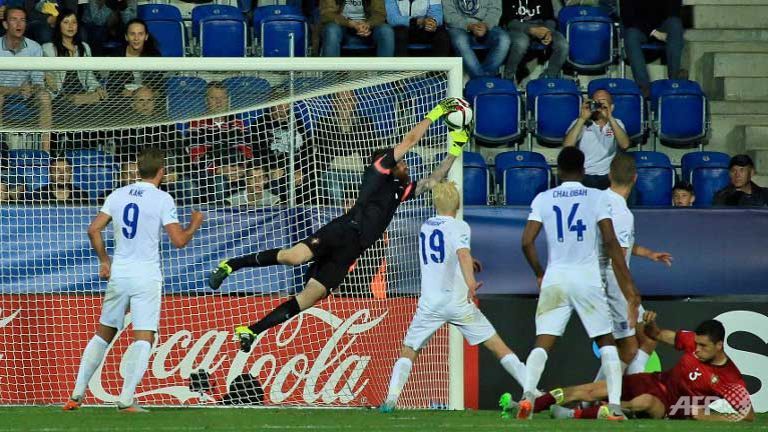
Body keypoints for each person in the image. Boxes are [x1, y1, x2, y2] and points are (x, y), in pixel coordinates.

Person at [207, 98, 470, 353]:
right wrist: (436, 113)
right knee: (293, 257)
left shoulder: (400, 189)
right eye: (401, 162)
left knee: (309, 298)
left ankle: (252, 330)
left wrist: (455, 150)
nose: (406, 164)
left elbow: (433, 181)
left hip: (352, 251)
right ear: (388, 163)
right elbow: (410, 140)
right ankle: (231, 264)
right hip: (343, 230)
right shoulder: (379, 168)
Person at [62, 148, 204, 413]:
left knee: (103, 333)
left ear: (138, 171)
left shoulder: (118, 194)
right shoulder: (163, 199)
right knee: (144, 336)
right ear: (162, 172)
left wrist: (105, 260)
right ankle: (126, 399)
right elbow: (179, 240)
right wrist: (195, 223)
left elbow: (93, 229)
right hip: (146, 275)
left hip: (121, 273)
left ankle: (76, 394)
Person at [379, 181, 527, 412]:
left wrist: (467, 262)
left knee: (409, 350)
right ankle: (533, 392)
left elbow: (446, 255)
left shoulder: (427, 225)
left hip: (430, 303)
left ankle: (391, 399)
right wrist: (470, 282)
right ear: (457, 203)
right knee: (498, 347)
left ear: (435, 203)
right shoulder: (460, 226)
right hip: (458, 302)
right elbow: (462, 254)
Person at [517, 147, 640, 420]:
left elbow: (526, 242)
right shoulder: (596, 197)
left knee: (543, 341)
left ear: (558, 171)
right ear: (583, 170)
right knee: (606, 339)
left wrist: (539, 271)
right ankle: (615, 405)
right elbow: (610, 241)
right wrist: (630, 289)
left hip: (556, 276)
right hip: (586, 277)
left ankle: (527, 396)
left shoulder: (543, 198)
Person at [524, 311, 755, 422]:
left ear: (719, 345)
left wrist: (706, 416)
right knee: (594, 388)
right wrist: (650, 324)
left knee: (643, 402)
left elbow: (748, 416)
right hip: (655, 381)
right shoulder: (690, 342)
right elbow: (656, 334)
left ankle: (573, 414)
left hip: (671, 407)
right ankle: (530, 406)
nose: (696, 349)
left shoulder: (730, 378)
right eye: (696, 344)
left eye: (703, 346)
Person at [593, 154, 672, 382]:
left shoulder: (599, 200)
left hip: (605, 281)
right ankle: (590, 399)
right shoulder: (622, 213)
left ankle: (600, 396)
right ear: (635, 178)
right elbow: (618, 256)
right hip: (614, 284)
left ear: (609, 175)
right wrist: (631, 297)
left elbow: (617, 244)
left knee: (648, 338)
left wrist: (649, 254)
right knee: (628, 348)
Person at [0, 7, 53, 149]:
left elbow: (37, 80)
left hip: (27, 95)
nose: (19, 24)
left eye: (22, 20)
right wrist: (15, 90)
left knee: (44, 97)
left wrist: (33, 88)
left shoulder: (34, 47)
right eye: (14, 20)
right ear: (5, 24)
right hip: (3, 93)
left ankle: (45, 153)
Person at [42, 9, 108, 120]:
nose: (71, 26)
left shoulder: (84, 47)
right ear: (59, 25)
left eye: (74, 22)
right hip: (60, 96)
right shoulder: (48, 49)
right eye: (66, 22)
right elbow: (49, 82)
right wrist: (68, 97)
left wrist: (96, 88)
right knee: (70, 109)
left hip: (83, 93)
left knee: (102, 104)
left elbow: (89, 77)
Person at [563, 89, 630, 190]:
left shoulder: (617, 123)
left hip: (607, 175)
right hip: (584, 174)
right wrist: (582, 119)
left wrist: (610, 117)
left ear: (611, 107)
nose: (599, 106)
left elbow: (625, 145)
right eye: (596, 102)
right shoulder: (580, 123)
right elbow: (567, 147)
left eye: (603, 102)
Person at [620, 0, 684, 97]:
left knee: (675, 24)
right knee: (630, 36)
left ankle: (674, 80)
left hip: (662, 26)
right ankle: (644, 86)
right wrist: (654, 33)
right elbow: (628, 17)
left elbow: (674, 11)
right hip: (639, 27)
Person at [502, 0, 567, 83]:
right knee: (521, 42)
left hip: (542, 27)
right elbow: (510, 22)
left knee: (562, 44)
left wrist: (548, 31)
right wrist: (530, 30)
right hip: (519, 29)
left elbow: (550, 18)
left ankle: (549, 78)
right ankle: (508, 78)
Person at [443, 0, 510, 78]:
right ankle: (481, 81)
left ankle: (484, 78)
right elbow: (449, 15)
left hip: (486, 24)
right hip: (459, 26)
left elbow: (495, 9)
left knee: (504, 40)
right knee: (460, 41)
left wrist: (486, 24)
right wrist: (469, 25)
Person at [105, 19, 162, 99]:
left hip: (147, 97)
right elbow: (112, 85)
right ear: (126, 37)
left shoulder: (154, 55)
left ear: (146, 36)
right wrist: (128, 94)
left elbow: (158, 86)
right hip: (123, 100)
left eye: (140, 34)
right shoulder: (117, 54)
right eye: (132, 34)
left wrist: (145, 93)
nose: (136, 38)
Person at [320, 0, 395, 57]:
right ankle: (330, 75)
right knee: (331, 30)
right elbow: (327, 14)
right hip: (342, 25)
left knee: (386, 31)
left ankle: (385, 76)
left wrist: (368, 24)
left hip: (367, 26)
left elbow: (380, 14)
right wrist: (350, 23)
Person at [385, 0, 450, 57]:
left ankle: (438, 69)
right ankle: (402, 70)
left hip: (424, 28)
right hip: (403, 28)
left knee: (442, 35)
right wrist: (418, 21)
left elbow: (437, 15)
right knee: (399, 32)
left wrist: (433, 22)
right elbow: (393, 19)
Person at [26, 157, 90, 204]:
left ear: (71, 173)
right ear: (50, 173)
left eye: (66, 170)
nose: (62, 175)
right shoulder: (37, 195)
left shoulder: (81, 196)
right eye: (57, 170)